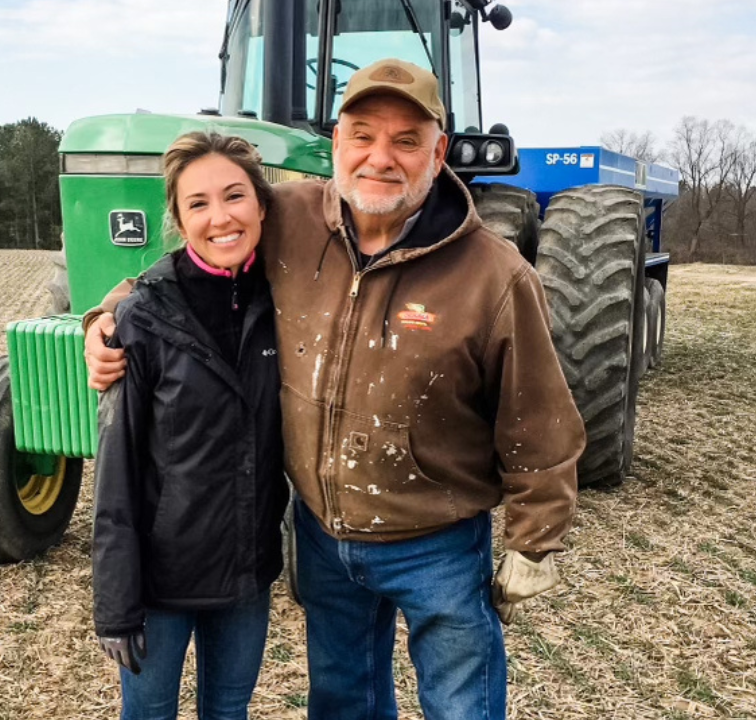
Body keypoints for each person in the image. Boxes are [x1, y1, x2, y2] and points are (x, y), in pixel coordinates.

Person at [86, 59, 586, 720]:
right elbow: (190, 267)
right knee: (345, 701)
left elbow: (540, 422)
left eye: (407, 140)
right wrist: (108, 316)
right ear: (337, 142)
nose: (381, 157)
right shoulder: (289, 217)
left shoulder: (495, 275)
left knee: (462, 706)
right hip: (324, 537)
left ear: (438, 153)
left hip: (436, 544)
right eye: (363, 135)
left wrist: (534, 539)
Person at [91, 131, 288, 720]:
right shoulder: (143, 318)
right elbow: (116, 473)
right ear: (177, 218)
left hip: (245, 577)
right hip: (161, 586)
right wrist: (117, 606)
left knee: (227, 712)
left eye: (234, 196)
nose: (220, 218)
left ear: (260, 202)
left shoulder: (285, 300)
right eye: (198, 204)